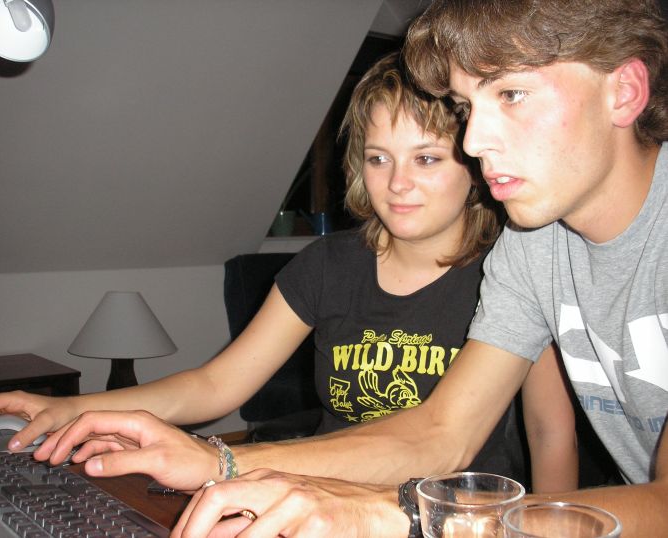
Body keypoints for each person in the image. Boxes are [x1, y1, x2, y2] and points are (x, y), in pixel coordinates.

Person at [0, 53, 576, 495]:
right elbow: (215, 384)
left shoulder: (516, 271)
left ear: (474, 161)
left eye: (427, 159)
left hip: (461, 517)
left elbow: (550, 431)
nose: (397, 184)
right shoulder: (327, 265)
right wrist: (69, 409)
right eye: (378, 158)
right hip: (321, 498)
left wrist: (549, 525)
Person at [166, 0, 668, 536]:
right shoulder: (533, 246)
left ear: (624, 90)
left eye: (511, 94)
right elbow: (443, 433)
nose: (472, 141)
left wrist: (395, 514)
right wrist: (222, 462)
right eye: (466, 106)